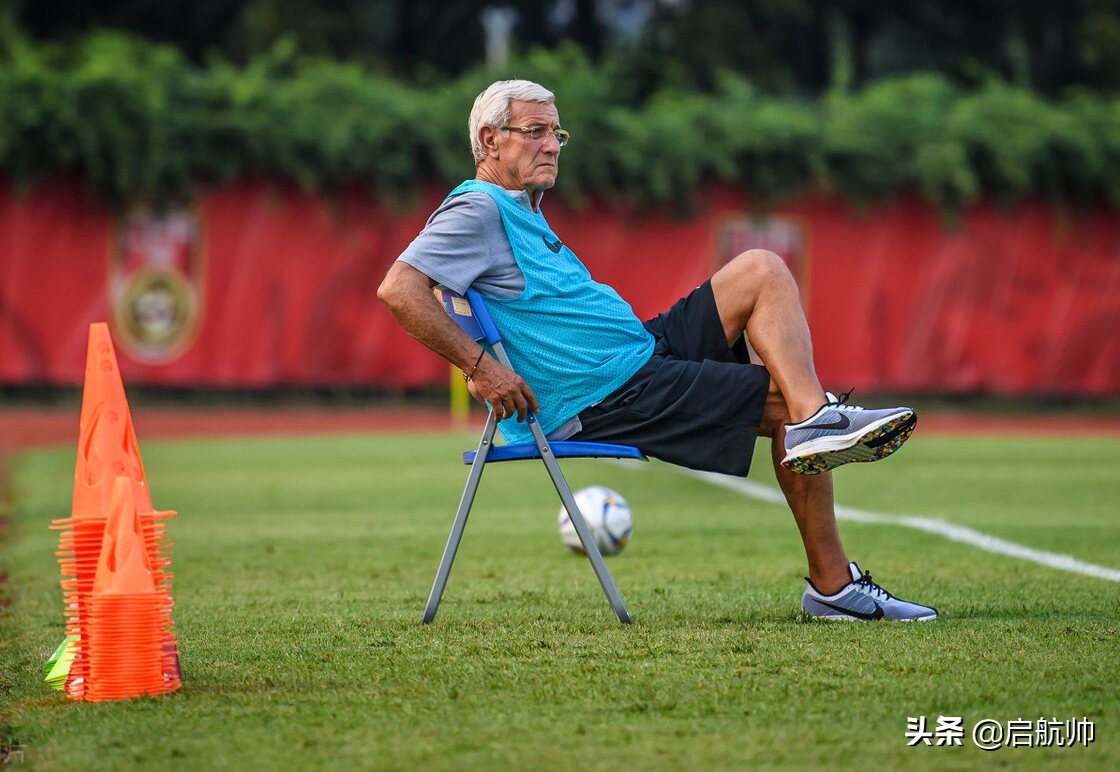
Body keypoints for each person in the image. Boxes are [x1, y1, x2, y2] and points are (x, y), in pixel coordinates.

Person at [378, 79, 937, 622]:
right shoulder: (475, 209)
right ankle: (834, 583)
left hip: (636, 354)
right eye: (535, 131)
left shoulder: (521, 207)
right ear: (490, 139)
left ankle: (818, 419)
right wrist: (482, 368)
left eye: (556, 133)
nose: (551, 144)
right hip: (603, 391)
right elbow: (400, 288)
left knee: (761, 269)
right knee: (789, 404)